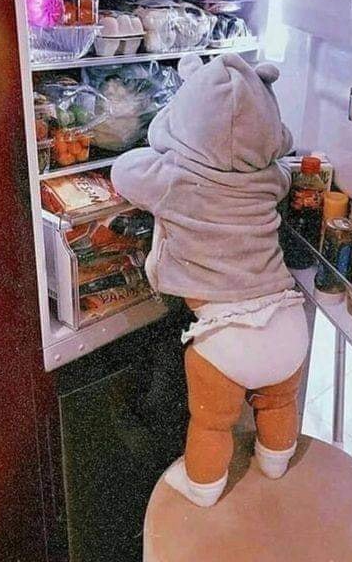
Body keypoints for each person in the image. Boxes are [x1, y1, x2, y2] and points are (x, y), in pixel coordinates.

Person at [111, 52, 309, 507]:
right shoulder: (270, 178)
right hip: (287, 323)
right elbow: (285, 174)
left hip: (227, 338)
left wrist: (166, 144)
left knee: (211, 424)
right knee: (278, 403)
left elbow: (124, 171)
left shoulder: (172, 177)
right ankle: (275, 462)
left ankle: (202, 488)